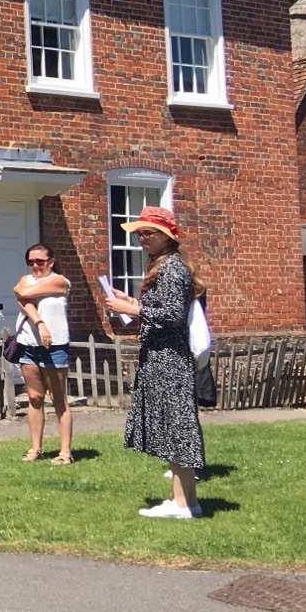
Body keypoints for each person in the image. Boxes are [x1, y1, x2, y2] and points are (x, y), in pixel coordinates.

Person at [103, 206, 206, 518]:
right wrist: (133, 303)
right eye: (139, 234)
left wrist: (132, 309)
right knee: (176, 431)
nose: (141, 239)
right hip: (163, 357)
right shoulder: (165, 265)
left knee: (177, 431)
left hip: (170, 360)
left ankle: (183, 504)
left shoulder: (172, 268)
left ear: (165, 236)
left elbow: (173, 316)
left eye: (147, 233)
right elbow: (165, 308)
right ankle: (186, 502)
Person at [12, 244, 74, 465]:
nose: (35, 266)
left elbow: (24, 293)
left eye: (40, 261)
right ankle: (36, 448)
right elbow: (23, 300)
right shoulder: (26, 279)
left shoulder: (60, 281)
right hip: (29, 344)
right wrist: (39, 324)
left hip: (54, 344)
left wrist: (22, 293)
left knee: (58, 398)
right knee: (35, 397)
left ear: (51, 261)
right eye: (31, 262)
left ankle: (65, 451)